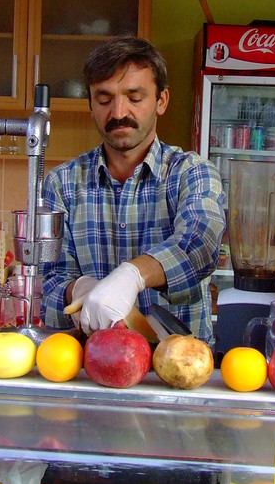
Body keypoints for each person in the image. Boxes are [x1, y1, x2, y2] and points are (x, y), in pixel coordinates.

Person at [40, 36, 226, 343]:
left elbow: (200, 244)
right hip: (87, 366)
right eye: (104, 99)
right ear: (91, 105)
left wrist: (133, 275)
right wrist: (80, 288)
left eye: (134, 98)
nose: (117, 112)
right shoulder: (62, 183)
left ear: (161, 101)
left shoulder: (191, 172)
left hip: (178, 366)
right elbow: (48, 278)